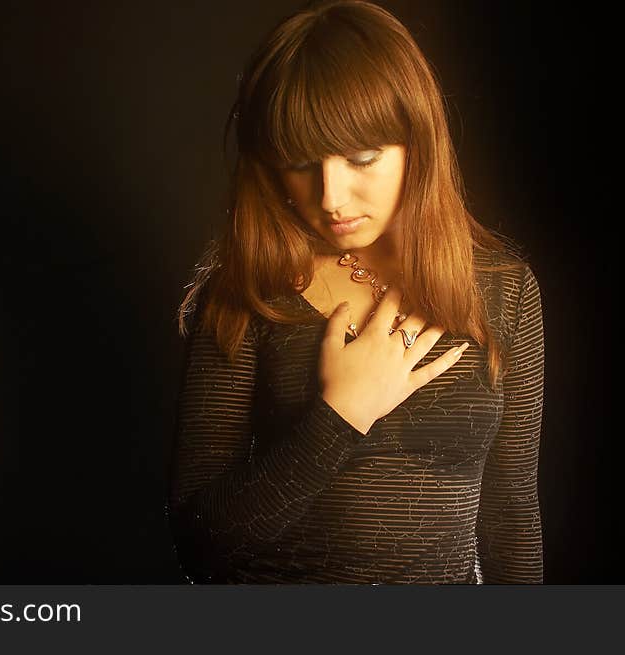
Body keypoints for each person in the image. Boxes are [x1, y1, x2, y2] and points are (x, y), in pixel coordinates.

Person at [166, 0, 544, 584]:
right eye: (299, 164)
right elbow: (199, 543)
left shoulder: (506, 291)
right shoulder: (246, 294)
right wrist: (342, 412)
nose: (331, 196)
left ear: (417, 144)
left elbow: (512, 514)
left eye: (361, 158)